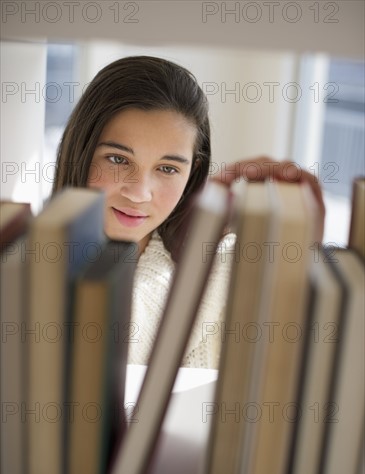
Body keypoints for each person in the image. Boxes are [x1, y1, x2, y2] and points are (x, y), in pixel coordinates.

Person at [52, 55, 325, 369]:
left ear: (192, 173)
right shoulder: (24, 265)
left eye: (167, 168)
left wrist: (304, 234)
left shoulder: (226, 265)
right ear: (80, 150)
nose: (139, 192)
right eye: (118, 160)